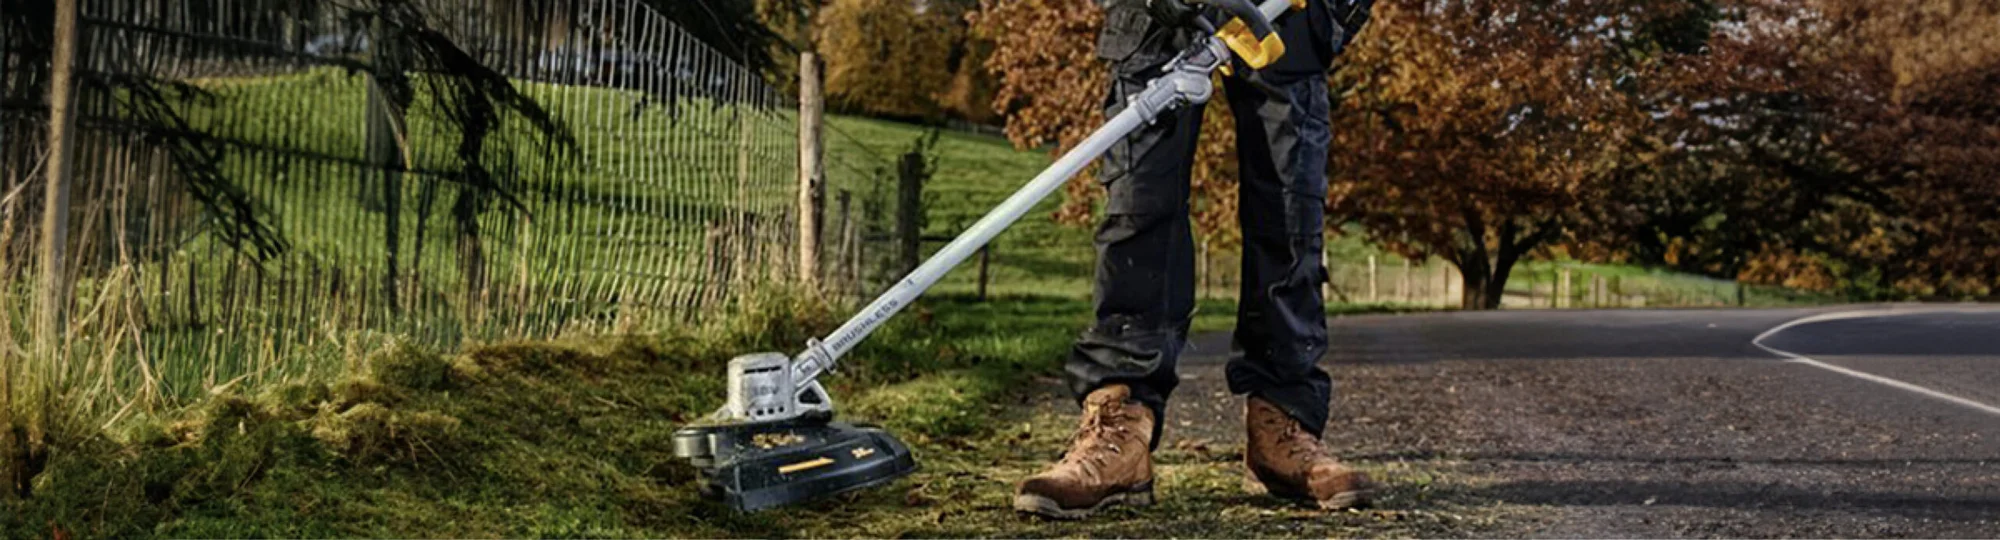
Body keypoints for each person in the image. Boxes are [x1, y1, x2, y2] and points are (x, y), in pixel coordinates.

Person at [1013, 0, 1377, 519]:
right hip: (1154, 18)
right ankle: (1121, 422)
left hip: (1291, 13)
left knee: (1290, 208)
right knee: (1139, 202)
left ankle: (1283, 421)